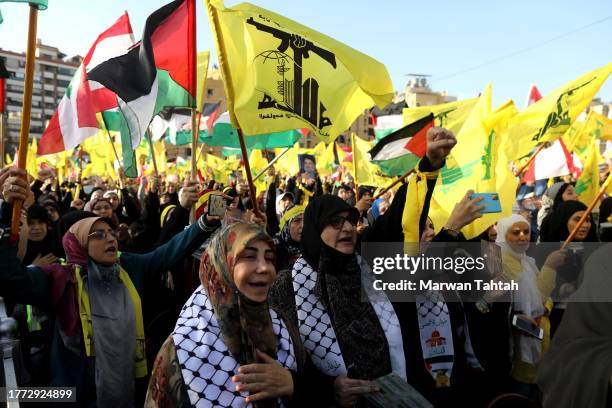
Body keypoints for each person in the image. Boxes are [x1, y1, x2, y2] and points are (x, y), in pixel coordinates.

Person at [0, 167, 221, 407]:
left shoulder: (128, 265)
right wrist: (7, 215)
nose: (110, 239)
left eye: (111, 233)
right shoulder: (60, 278)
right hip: (71, 395)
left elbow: (166, 253)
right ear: (79, 244)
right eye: (98, 235)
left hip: (128, 387)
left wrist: (204, 222)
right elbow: (10, 279)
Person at [145, 222, 332, 407]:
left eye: (269, 258)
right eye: (249, 257)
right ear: (221, 265)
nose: (265, 268)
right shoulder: (183, 347)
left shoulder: (282, 329)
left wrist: (292, 383)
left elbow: (316, 388)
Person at [273, 205, 304, 271]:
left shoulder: (311, 247)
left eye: (306, 220)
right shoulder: (274, 248)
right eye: (297, 220)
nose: (303, 225)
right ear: (286, 225)